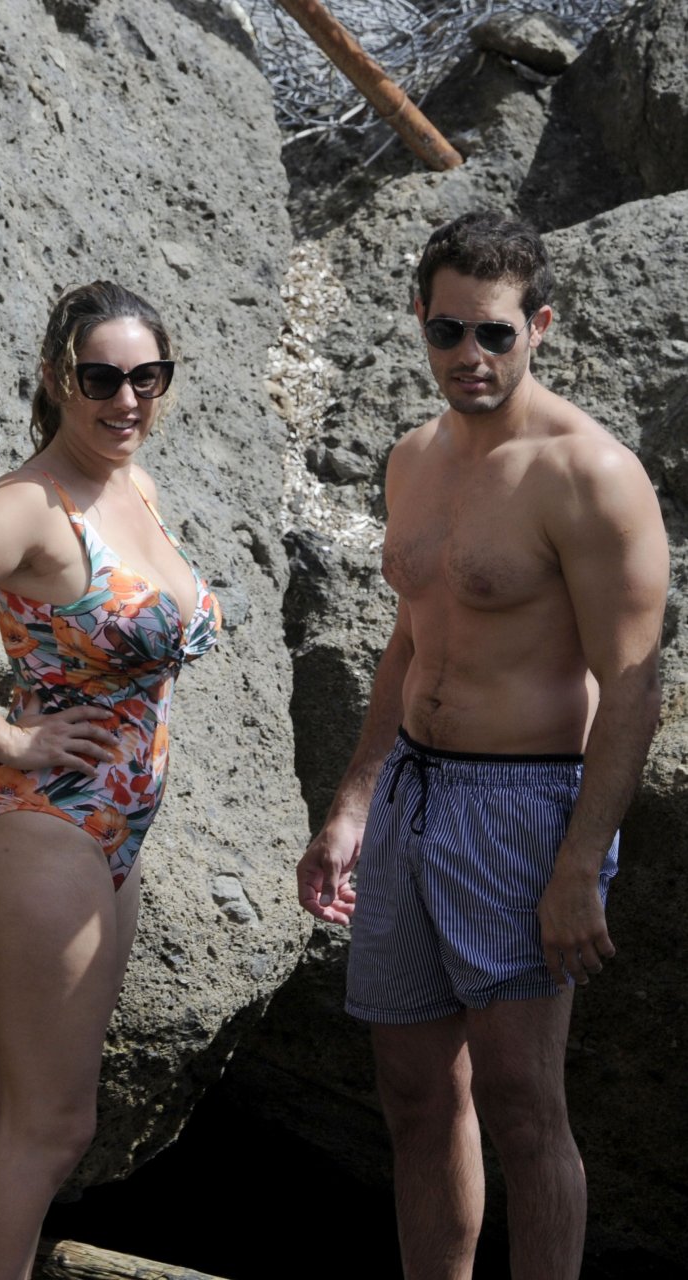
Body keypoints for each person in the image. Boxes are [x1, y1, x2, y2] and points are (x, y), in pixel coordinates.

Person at [296, 211, 669, 1280]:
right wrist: (353, 801)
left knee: (520, 1101)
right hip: (411, 793)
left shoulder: (588, 474)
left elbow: (633, 686)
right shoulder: (413, 459)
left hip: (525, 803)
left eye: (494, 333)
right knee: (415, 1093)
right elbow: (411, 638)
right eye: (448, 330)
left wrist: (577, 864)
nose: (470, 354)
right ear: (419, 317)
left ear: (537, 326)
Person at [0, 281, 220, 1280]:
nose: (126, 399)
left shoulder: (133, 488)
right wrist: (5, 737)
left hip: (115, 832)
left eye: (147, 376)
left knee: (17, 1116)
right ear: (57, 378)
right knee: (56, 1125)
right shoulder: (29, 504)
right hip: (40, 829)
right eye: (100, 378)